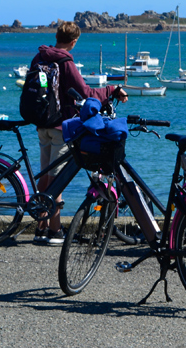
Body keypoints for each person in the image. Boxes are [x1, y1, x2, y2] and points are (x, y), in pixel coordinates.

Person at [29, 21, 127, 245]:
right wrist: (111, 89)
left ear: (56, 36)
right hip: (60, 127)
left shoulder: (40, 56)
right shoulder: (65, 61)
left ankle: (40, 227)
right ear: (74, 41)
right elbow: (85, 92)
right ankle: (55, 231)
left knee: (45, 175)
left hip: (41, 124)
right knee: (58, 179)